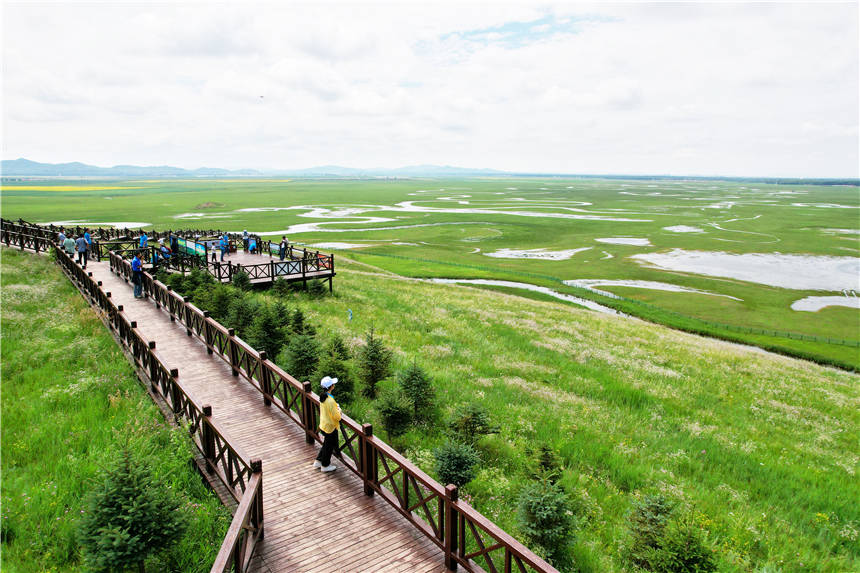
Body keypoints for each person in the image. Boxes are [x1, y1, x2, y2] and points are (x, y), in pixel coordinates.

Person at [313, 376, 341, 472]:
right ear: (331, 386)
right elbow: (337, 417)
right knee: (329, 446)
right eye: (333, 384)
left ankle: (318, 461)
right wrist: (339, 410)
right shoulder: (330, 400)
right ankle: (325, 465)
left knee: (326, 444)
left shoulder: (323, 397)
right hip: (331, 427)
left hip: (324, 424)